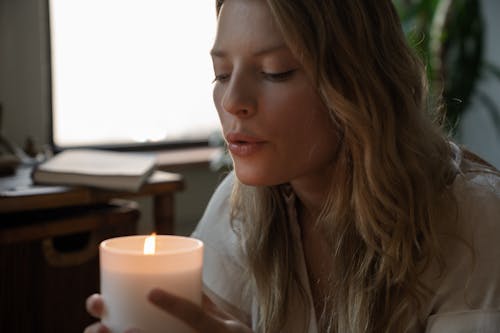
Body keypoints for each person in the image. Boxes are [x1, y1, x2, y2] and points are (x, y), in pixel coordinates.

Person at [85, 0, 500, 332]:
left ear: (357, 84)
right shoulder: (241, 208)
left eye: (274, 72)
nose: (232, 102)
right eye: (221, 73)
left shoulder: (474, 220)